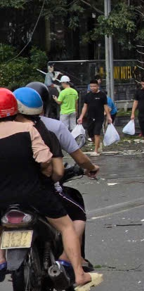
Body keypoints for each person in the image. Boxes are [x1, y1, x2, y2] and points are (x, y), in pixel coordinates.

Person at [0, 88, 92, 287]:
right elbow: (45, 162)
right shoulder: (29, 130)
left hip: (2, 197)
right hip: (33, 194)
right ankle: (79, 273)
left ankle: (1, 260)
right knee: (67, 226)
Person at [25, 82, 99, 273]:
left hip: (9, 191)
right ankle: (69, 260)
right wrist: (90, 168)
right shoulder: (50, 129)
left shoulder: (7, 129)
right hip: (42, 190)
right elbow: (67, 164)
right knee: (76, 215)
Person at [77, 80, 112, 156]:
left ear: (98, 86)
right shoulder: (87, 96)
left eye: (94, 86)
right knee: (91, 134)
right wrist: (81, 117)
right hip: (90, 117)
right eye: (91, 86)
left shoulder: (102, 95)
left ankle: (96, 150)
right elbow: (85, 107)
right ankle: (98, 145)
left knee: (97, 133)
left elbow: (105, 106)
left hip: (99, 117)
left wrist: (108, 116)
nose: (93, 88)